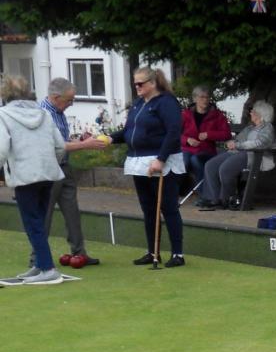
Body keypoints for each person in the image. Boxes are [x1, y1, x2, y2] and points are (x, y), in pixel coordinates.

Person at [105, 67, 186, 266]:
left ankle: (178, 254)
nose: (137, 87)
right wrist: (109, 138)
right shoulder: (139, 104)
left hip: (161, 162)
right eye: (135, 84)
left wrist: (161, 158)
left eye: (141, 84)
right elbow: (129, 131)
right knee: (149, 209)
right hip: (138, 162)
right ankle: (152, 251)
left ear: (153, 83)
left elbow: (174, 131)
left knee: (169, 208)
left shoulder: (166, 102)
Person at [0, 75, 67, 285]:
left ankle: (47, 268)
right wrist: (50, 163)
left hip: (24, 175)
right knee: (38, 219)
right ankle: (40, 264)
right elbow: (60, 146)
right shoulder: (45, 113)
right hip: (48, 174)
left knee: (33, 223)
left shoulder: (3, 115)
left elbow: (1, 149)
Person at [38, 77, 108, 266]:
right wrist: (84, 145)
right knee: (45, 214)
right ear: (55, 97)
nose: (71, 103)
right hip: (49, 170)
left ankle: (79, 253)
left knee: (72, 212)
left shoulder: (58, 111)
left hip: (65, 168)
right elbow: (53, 146)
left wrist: (81, 141)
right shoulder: (43, 113)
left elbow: (63, 141)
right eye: (69, 99)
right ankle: (37, 258)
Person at [195, 101, 276, 211]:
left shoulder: (267, 128)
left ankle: (227, 199)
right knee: (210, 165)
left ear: (260, 114)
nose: (250, 113)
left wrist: (238, 145)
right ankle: (213, 199)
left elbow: (260, 143)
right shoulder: (250, 128)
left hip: (256, 156)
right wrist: (229, 144)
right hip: (240, 153)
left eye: (253, 112)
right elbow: (237, 141)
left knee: (226, 169)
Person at [180, 85, 231, 190]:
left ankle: (205, 193)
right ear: (195, 99)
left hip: (206, 151)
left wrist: (209, 134)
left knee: (195, 160)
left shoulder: (217, 115)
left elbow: (227, 134)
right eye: (201, 97)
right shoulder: (185, 114)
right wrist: (187, 140)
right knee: (182, 163)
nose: (205, 100)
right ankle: (179, 191)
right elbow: (174, 134)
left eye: (207, 97)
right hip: (187, 149)